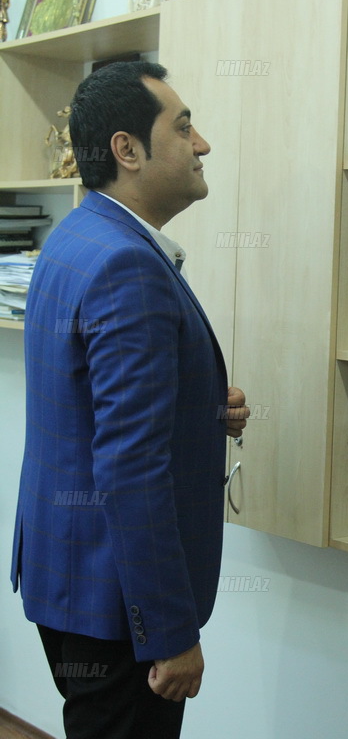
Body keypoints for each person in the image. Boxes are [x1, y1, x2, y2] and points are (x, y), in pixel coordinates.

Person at [11, 60, 249, 739]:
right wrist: (169, 632)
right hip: (120, 606)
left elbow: (87, 399)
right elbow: (130, 464)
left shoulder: (76, 236)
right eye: (184, 127)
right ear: (127, 149)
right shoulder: (127, 265)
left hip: (71, 576)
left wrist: (202, 404)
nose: (202, 144)